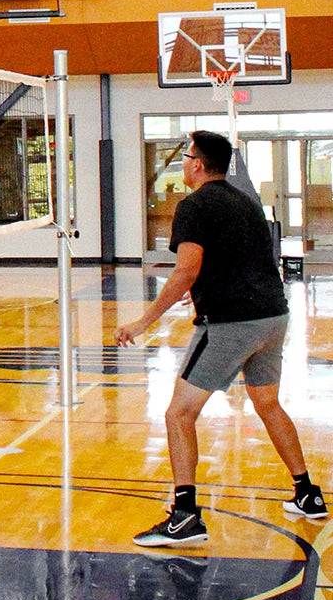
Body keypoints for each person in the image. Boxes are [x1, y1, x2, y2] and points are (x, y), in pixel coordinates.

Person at [114, 130, 327, 548]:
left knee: (178, 415)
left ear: (197, 163)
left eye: (186, 157)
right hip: (273, 317)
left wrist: (143, 322)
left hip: (231, 325)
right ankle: (307, 494)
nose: (182, 165)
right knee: (267, 403)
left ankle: (185, 516)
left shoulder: (193, 206)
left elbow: (185, 270)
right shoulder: (244, 201)